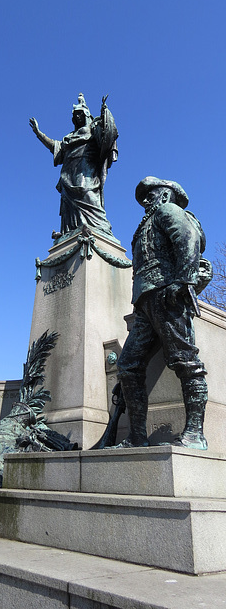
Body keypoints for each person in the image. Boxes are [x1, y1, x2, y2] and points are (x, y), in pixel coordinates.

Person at [117, 176, 211, 450]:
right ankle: (137, 436)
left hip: (166, 294)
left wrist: (182, 281)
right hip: (146, 301)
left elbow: (187, 237)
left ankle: (195, 433)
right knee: (127, 366)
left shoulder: (169, 211)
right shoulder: (147, 223)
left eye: (151, 194)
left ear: (166, 195)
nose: (146, 200)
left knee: (185, 361)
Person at [29, 93, 118, 237]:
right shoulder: (70, 136)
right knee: (69, 207)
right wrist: (39, 134)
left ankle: (101, 228)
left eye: (80, 114)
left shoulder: (93, 128)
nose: (77, 117)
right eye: (75, 115)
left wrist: (105, 113)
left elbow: (108, 134)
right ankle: (70, 232)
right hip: (68, 174)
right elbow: (55, 146)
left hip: (86, 171)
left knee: (88, 195)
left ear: (86, 114)